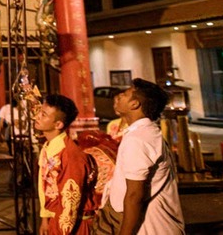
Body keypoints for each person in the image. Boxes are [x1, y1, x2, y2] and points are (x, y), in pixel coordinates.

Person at [93, 78, 183, 234]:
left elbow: (134, 195)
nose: (118, 96)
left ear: (134, 104)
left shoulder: (138, 139)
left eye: (125, 94)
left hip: (148, 225)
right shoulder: (142, 133)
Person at [33, 93, 98, 235]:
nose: (37, 116)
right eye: (39, 112)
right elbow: (44, 186)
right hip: (54, 218)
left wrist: (60, 230)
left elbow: (70, 202)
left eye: (43, 115)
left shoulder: (70, 155)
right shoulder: (47, 147)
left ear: (58, 124)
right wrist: (45, 219)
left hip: (73, 224)